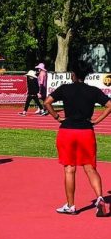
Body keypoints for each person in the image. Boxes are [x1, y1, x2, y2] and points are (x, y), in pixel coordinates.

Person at [44, 63, 111, 215]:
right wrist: (97, 121)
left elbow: (47, 102)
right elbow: (109, 105)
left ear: (73, 74)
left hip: (67, 131)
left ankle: (71, 205)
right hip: (86, 131)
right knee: (90, 167)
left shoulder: (65, 88)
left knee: (69, 169)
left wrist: (56, 117)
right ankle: (100, 198)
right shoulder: (93, 91)